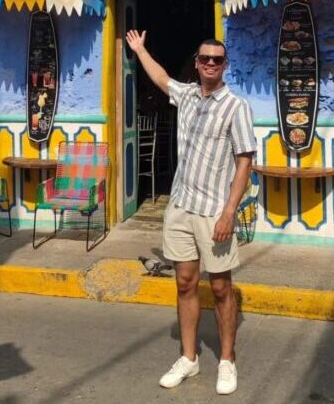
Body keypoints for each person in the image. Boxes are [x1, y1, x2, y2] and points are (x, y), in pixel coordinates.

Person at [125, 29, 256, 396]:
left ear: (224, 65)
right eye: (205, 59)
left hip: (215, 211)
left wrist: (230, 211)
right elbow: (161, 77)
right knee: (184, 283)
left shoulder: (237, 106)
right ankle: (189, 357)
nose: (211, 64)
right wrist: (140, 50)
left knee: (219, 286)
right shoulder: (186, 97)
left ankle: (227, 360)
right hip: (180, 207)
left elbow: (244, 162)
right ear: (197, 64)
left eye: (217, 59)